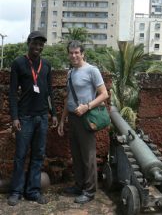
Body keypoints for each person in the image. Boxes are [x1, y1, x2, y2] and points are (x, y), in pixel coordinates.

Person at [8, 31, 58, 206]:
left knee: (38, 155)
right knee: (20, 156)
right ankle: (16, 191)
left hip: (43, 116)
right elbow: (12, 93)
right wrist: (15, 117)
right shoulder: (18, 63)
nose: (38, 47)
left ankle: (33, 191)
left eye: (40, 44)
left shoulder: (46, 65)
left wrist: (54, 114)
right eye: (35, 43)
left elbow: (50, 92)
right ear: (28, 43)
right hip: (25, 117)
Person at [58, 40, 109, 204]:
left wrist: (87, 107)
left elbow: (104, 94)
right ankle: (79, 185)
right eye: (71, 53)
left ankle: (89, 190)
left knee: (88, 156)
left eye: (77, 53)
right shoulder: (70, 73)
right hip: (73, 117)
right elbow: (69, 99)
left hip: (86, 117)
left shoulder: (92, 70)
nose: (74, 56)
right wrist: (62, 119)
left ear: (82, 53)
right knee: (76, 155)